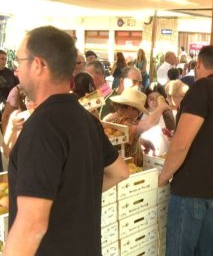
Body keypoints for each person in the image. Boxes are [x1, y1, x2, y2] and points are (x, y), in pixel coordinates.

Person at [5, 26, 129, 255]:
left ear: (38, 65)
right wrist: (68, 197)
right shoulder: (87, 120)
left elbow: (31, 226)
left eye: (19, 62)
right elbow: (120, 171)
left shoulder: (41, 127)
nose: (15, 71)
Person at [158, 45, 213, 256]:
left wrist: (163, 177)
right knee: (204, 251)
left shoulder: (201, 88)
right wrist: (212, 169)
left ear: (200, 64)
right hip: (210, 187)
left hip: (189, 189)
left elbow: (181, 143)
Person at [0, 49, 19, 121]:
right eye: (2, 59)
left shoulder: (10, 73)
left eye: (5, 59)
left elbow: (18, 87)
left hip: (9, 106)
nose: (4, 61)